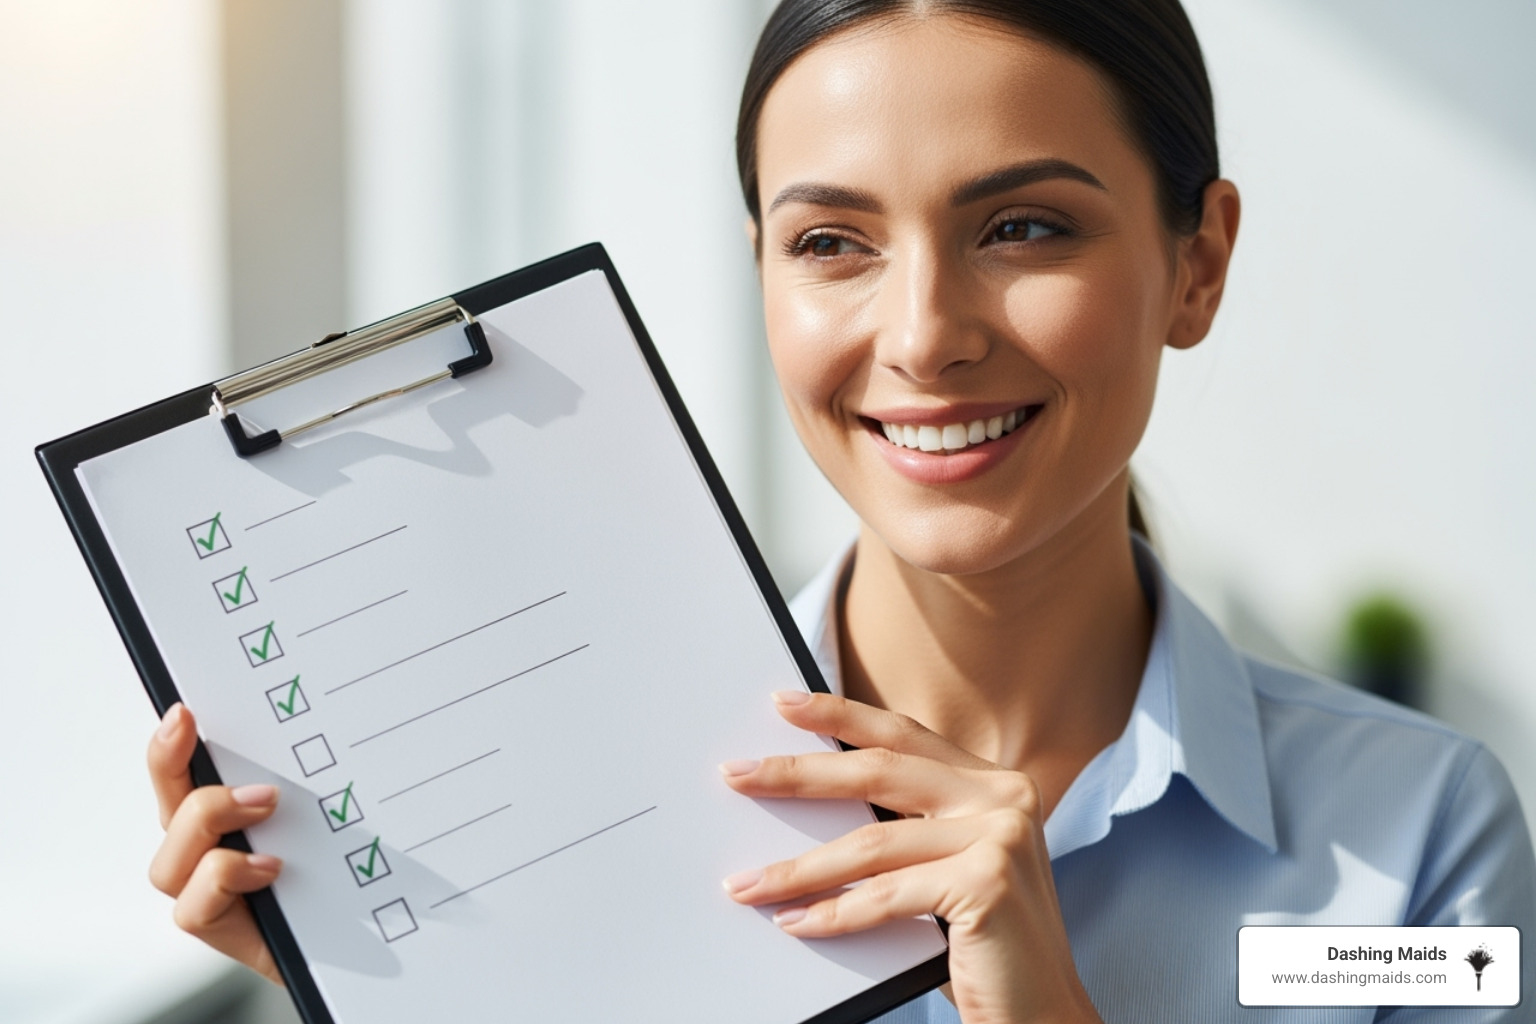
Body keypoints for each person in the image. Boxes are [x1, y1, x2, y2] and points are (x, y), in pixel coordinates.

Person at [146, 1, 1536, 1020]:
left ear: (1199, 262)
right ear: (762, 274)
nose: (924, 336)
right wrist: (417, 991)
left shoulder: (1417, 843)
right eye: (832, 245)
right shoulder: (575, 823)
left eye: (1025, 227)